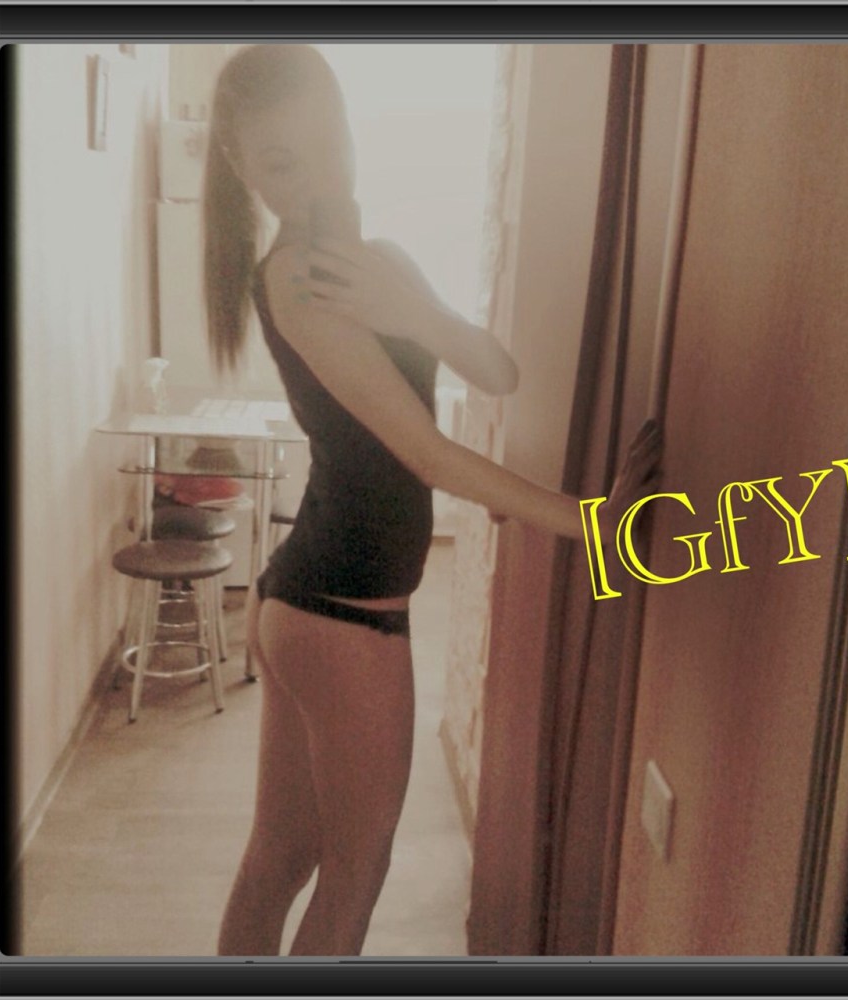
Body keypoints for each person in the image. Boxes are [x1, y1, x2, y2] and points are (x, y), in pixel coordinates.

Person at [204, 44, 662, 956]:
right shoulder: (296, 277)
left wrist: (411, 310)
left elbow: (497, 371)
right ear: (242, 171)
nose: (317, 176)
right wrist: (594, 526)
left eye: (327, 142)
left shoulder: (377, 262)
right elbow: (426, 456)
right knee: (352, 875)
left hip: (306, 597)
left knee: (280, 857)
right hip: (343, 612)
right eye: (282, 163)